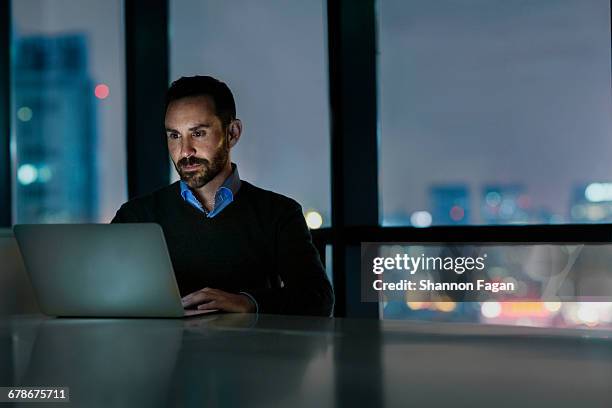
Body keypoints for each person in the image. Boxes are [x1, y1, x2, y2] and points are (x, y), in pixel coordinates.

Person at [111, 75, 334, 316]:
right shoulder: (135, 215)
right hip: (164, 351)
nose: (185, 151)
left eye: (198, 133)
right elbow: (101, 291)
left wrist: (247, 302)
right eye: (174, 135)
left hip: (249, 351)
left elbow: (318, 297)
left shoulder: (279, 213)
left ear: (232, 133)